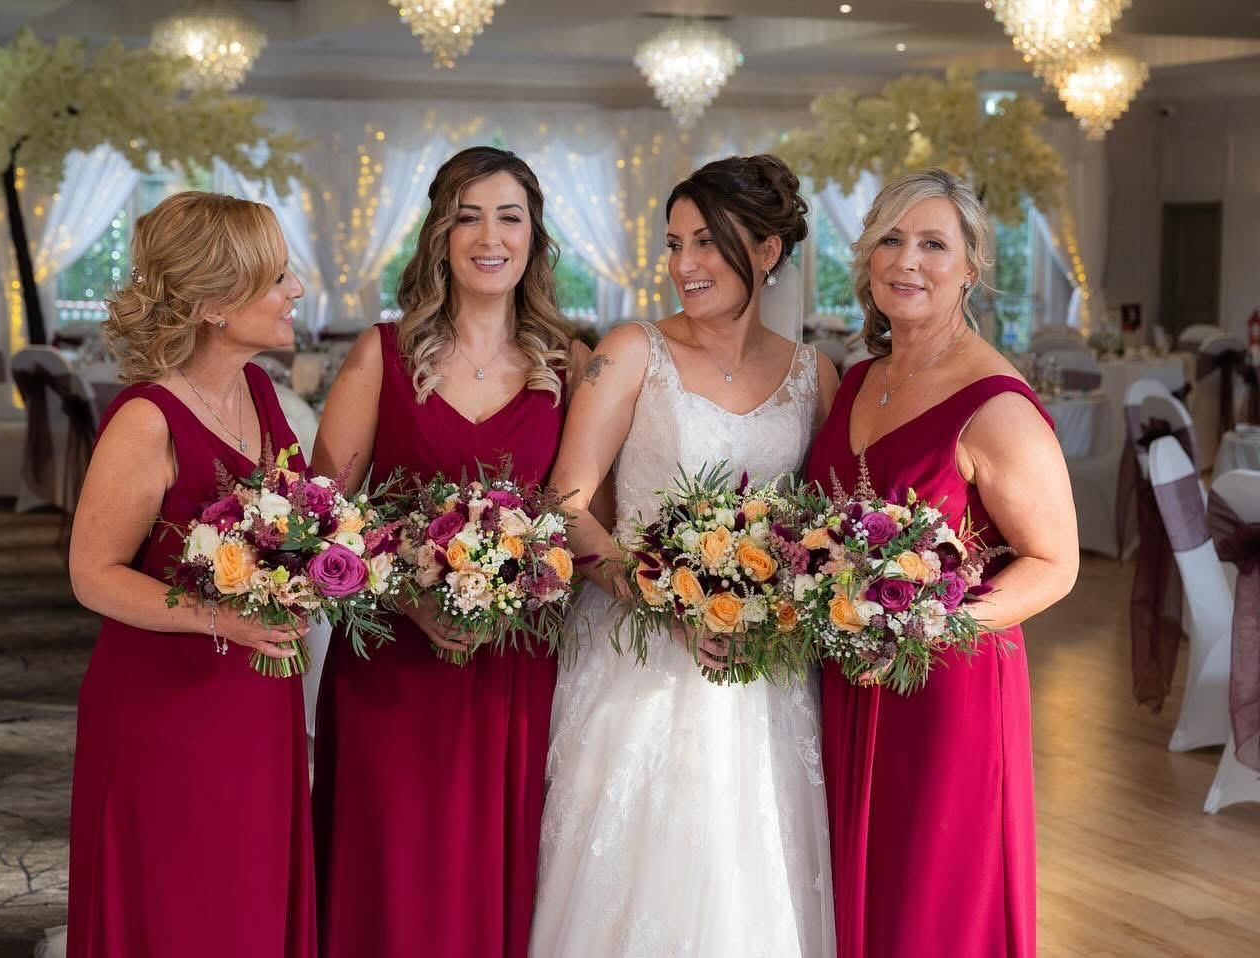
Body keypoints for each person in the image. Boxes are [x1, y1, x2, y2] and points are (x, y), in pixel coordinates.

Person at [530, 154, 838, 957]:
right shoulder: (633, 350)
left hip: (765, 668)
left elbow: (826, 527)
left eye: (707, 242)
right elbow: (565, 500)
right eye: (674, 245)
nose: (684, 266)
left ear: (767, 251)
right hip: (638, 655)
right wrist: (655, 597)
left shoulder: (817, 376)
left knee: (757, 871)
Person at [308, 146, 589, 958]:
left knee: (494, 870)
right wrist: (408, 596)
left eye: (509, 217)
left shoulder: (565, 364)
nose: (488, 236)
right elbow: (322, 519)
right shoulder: (382, 354)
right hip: (394, 665)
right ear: (439, 233)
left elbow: (576, 516)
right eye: (467, 216)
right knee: (391, 867)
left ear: (535, 237)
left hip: (513, 668)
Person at [804, 168, 1078, 958]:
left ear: (971, 266)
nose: (907, 261)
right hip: (846, 681)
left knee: (929, 904)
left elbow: (1055, 563)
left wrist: (920, 628)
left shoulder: (995, 401)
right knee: (861, 888)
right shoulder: (860, 379)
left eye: (933, 243)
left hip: (944, 691)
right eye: (890, 239)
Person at [64, 191, 316, 957]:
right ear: (213, 302)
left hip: (256, 703)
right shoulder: (148, 419)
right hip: (166, 716)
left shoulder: (260, 389)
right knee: (181, 911)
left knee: (245, 903)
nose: (296, 288)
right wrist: (224, 619)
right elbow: (93, 574)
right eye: (276, 277)